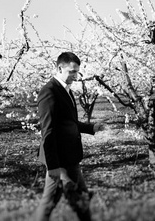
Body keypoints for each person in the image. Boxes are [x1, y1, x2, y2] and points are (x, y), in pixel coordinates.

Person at [34, 52, 105, 221]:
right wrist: (53, 167)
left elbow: (69, 122)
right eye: (72, 72)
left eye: (77, 72)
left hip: (69, 157)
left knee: (78, 197)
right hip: (60, 160)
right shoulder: (49, 91)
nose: (75, 76)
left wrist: (92, 127)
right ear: (59, 68)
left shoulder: (65, 90)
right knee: (57, 201)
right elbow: (48, 131)